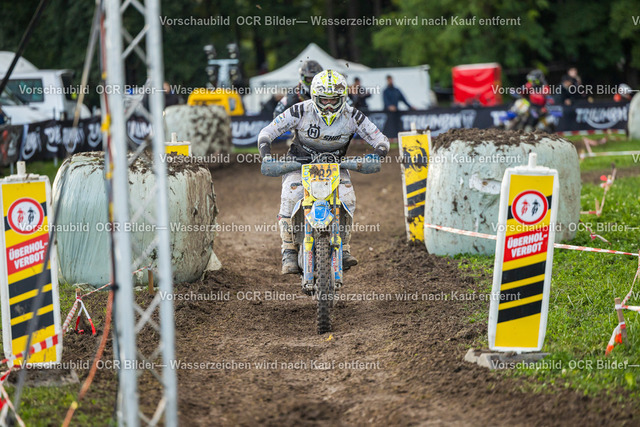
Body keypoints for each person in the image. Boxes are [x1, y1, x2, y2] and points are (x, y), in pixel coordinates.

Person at [258, 70, 390, 274]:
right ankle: (289, 249)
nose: (328, 105)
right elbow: (267, 132)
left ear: (342, 98)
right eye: (324, 99)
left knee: (348, 199)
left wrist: (378, 154)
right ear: (314, 97)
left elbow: (381, 139)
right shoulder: (300, 110)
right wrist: (266, 155)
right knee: (290, 196)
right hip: (299, 164)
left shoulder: (352, 115)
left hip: (336, 166)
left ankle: (344, 247)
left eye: (333, 100)